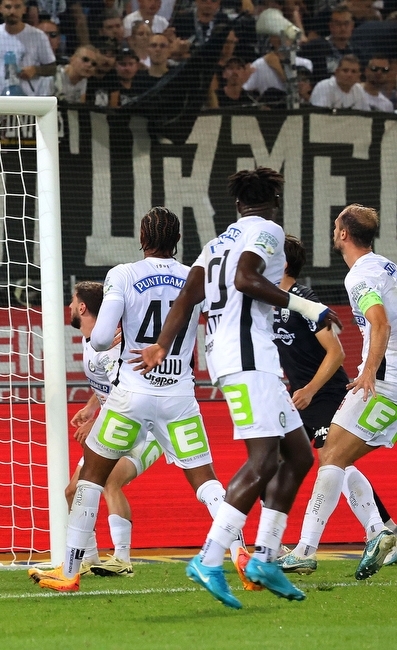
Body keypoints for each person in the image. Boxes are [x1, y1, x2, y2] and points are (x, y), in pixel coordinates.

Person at [134, 168, 342, 609]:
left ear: (236, 205)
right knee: (264, 459)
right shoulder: (268, 230)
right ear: (273, 203)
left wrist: (160, 344)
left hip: (240, 359)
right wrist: (310, 307)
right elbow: (247, 278)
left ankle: (265, 557)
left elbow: (189, 294)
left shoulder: (214, 244)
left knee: (300, 454)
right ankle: (209, 558)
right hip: (248, 360)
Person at [37, 208, 247, 594]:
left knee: (92, 479)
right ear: (177, 240)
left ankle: (69, 571)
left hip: (131, 397)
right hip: (179, 396)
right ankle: (240, 553)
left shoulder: (124, 274)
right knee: (205, 482)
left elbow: (100, 340)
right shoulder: (195, 276)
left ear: (141, 236)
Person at [278, 206, 397, 581]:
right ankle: (380, 532)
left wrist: (368, 373)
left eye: (334, 226)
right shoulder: (385, 266)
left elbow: (380, 323)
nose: (333, 232)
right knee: (336, 456)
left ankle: (306, 550)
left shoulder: (359, 276)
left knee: (331, 455)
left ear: (344, 234)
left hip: (384, 381)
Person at [29, 281, 166, 582]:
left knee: (110, 481)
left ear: (82, 307)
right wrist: (92, 406)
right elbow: (107, 385)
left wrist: (95, 420)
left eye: (72, 300)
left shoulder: (114, 343)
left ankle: (122, 558)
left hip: (144, 427)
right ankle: (88, 559)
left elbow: (126, 388)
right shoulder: (92, 341)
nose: (68, 306)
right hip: (113, 421)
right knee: (71, 492)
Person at [0, 0, 56, 95]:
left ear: (24, 9)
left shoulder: (38, 36)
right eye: (8, 7)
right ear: (0, 9)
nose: (12, 11)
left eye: (17, 7)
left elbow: (52, 68)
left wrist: (35, 70)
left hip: (27, 102)